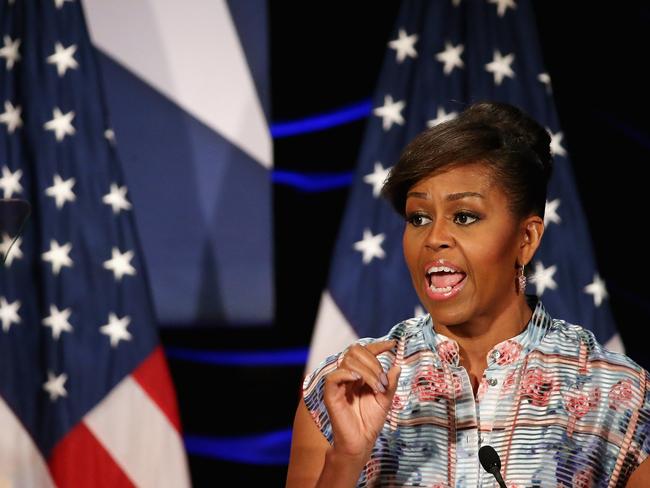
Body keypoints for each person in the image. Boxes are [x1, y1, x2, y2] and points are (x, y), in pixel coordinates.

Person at [285, 101, 650, 487]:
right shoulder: (341, 391)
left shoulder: (618, 394)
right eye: (419, 218)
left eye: (464, 217)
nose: (435, 238)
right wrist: (347, 458)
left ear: (526, 239)